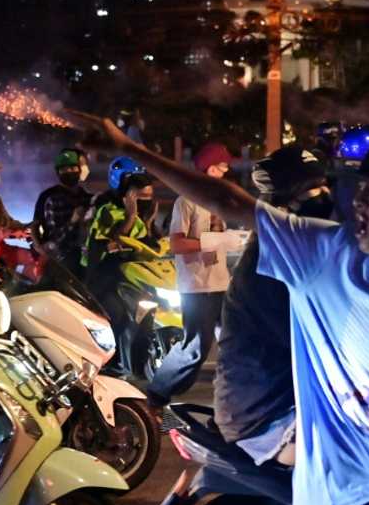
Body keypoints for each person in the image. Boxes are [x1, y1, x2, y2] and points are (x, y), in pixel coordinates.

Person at [69, 111, 369, 505]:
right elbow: (230, 202)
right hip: (332, 487)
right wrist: (128, 148)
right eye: (354, 190)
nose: (354, 205)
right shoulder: (325, 255)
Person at [216, 145, 334, 466]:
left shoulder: (299, 248)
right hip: (264, 416)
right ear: (280, 206)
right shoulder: (270, 261)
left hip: (285, 403)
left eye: (325, 185)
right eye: (311, 190)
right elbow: (310, 334)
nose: (323, 195)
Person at [146, 142, 246, 410]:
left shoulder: (217, 201)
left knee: (235, 341)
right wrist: (215, 240)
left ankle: (232, 400)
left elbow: (219, 240)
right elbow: (177, 245)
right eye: (223, 166)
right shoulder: (186, 201)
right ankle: (156, 395)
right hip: (196, 286)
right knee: (196, 347)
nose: (226, 171)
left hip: (221, 283)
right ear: (211, 168)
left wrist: (232, 240)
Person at [83, 170, 160, 374]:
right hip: (104, 277)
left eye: (148, 198)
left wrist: (150, 223)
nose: (144, 202)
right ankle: (110, 363)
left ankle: (141, 366)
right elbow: (116, 239)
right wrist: (131, 214)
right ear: (127, 197)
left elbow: (153, 246)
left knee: (148, 314)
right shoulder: (107, 211)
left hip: (133, 276)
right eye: (139, 198)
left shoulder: (144, 218)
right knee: (117, 316)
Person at [32, 148, 93, 273]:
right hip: (62, 255)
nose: (70, 172)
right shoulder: (51, 198)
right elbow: (39, 227)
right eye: (65, 169)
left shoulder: (86, 197)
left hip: (86, 254)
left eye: (73, 168)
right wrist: (39, 247)